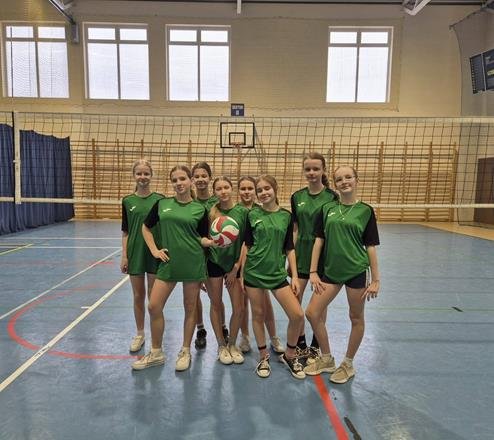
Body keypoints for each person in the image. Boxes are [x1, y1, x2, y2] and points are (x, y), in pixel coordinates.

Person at [131, 165, 216, 372]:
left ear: (190, 181)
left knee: (190, 307)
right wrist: (154, 250)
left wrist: (211, 242)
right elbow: (145, 227)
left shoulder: (199, 209)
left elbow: (202, 238)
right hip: (168, 263)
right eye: (175, 180)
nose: (179, 183)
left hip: (192, 263)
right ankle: (156, 352)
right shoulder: (162, 204)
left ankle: (185, 351)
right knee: (154, 306)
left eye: (182, 179)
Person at [304, 165, 380, 384]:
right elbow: (319, 241)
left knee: (356, 317)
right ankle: (327, 358)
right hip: (331, 271)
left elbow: (370, 247)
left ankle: (348, 363)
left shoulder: (365, 211)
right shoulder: (327, 209)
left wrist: (376, 280)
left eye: (348, 177)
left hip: (356, 271)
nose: (344, 181)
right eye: (339, 179)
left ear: (356, 180)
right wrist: (313, 271)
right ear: (335, 184)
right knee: (312, 313)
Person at [242, 175, 305, 379]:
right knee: (258, 314)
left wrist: (295, 276)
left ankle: (290, 355)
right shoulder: (252, 215)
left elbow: (290, 248)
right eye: (259, 190)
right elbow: (247, 245)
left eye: (267, 188)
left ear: (275, 189)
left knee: (297, 315)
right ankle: (263, 356)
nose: (263, 193)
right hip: (254, 272)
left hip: (277, 274)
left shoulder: (286, 216)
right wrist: (242, 274)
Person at [290, 152, 338, 364]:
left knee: (320, 305)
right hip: (301, 255)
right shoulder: (297, 197)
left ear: (323, 170)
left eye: (316, 169)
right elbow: (295, 229)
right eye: (308, 169)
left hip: (323, 257)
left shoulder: (332, 197)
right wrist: (290, 256)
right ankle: (300, 344)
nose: (311, 172)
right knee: (295, 302)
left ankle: (316, 346)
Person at [237, 176, 284, 354]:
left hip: (258, 263)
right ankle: (245, 336)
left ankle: (273, 337)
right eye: (243, 188)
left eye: (250, 188)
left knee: (265, 303)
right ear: (238, 191)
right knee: (242, 303)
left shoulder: (261, 209)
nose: (246, 192)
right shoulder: (235, 211)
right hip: (239, 262)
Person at [121, 159, 163, 352]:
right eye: (139, 173)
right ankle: (140, 334)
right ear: (134, 176)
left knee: (154, 299)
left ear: (151, 175)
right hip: (135, 253)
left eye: (146, 173)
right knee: (138, 295)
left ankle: (155, 336)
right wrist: (124, 256)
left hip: (154, 253)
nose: (143, 177)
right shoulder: (127, 201)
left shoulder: (160, 200)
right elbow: (126, 232)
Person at [206, 176, 248, 365]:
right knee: (215, 304)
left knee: (239, 308)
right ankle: (221, 345)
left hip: (234, 265)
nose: (223, 191)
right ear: (214, 191)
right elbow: (204, 240)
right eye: (219, 188)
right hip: (213, 262)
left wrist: (236, 268)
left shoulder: (242, 212)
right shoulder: (210, 212)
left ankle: (232, 344)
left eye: (226, 187)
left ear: (232, 189)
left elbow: (246, 243)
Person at [191, 162, 228, 349]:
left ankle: (223, 327)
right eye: (197, 176)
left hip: (216, 256)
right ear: (192, 180)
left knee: (216, 297)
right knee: (194, 295)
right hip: (195, 255)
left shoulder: (218, 201)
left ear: (210, 178)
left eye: (204, 175)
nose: (200, 179)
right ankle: (200, 329)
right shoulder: (190, 202)